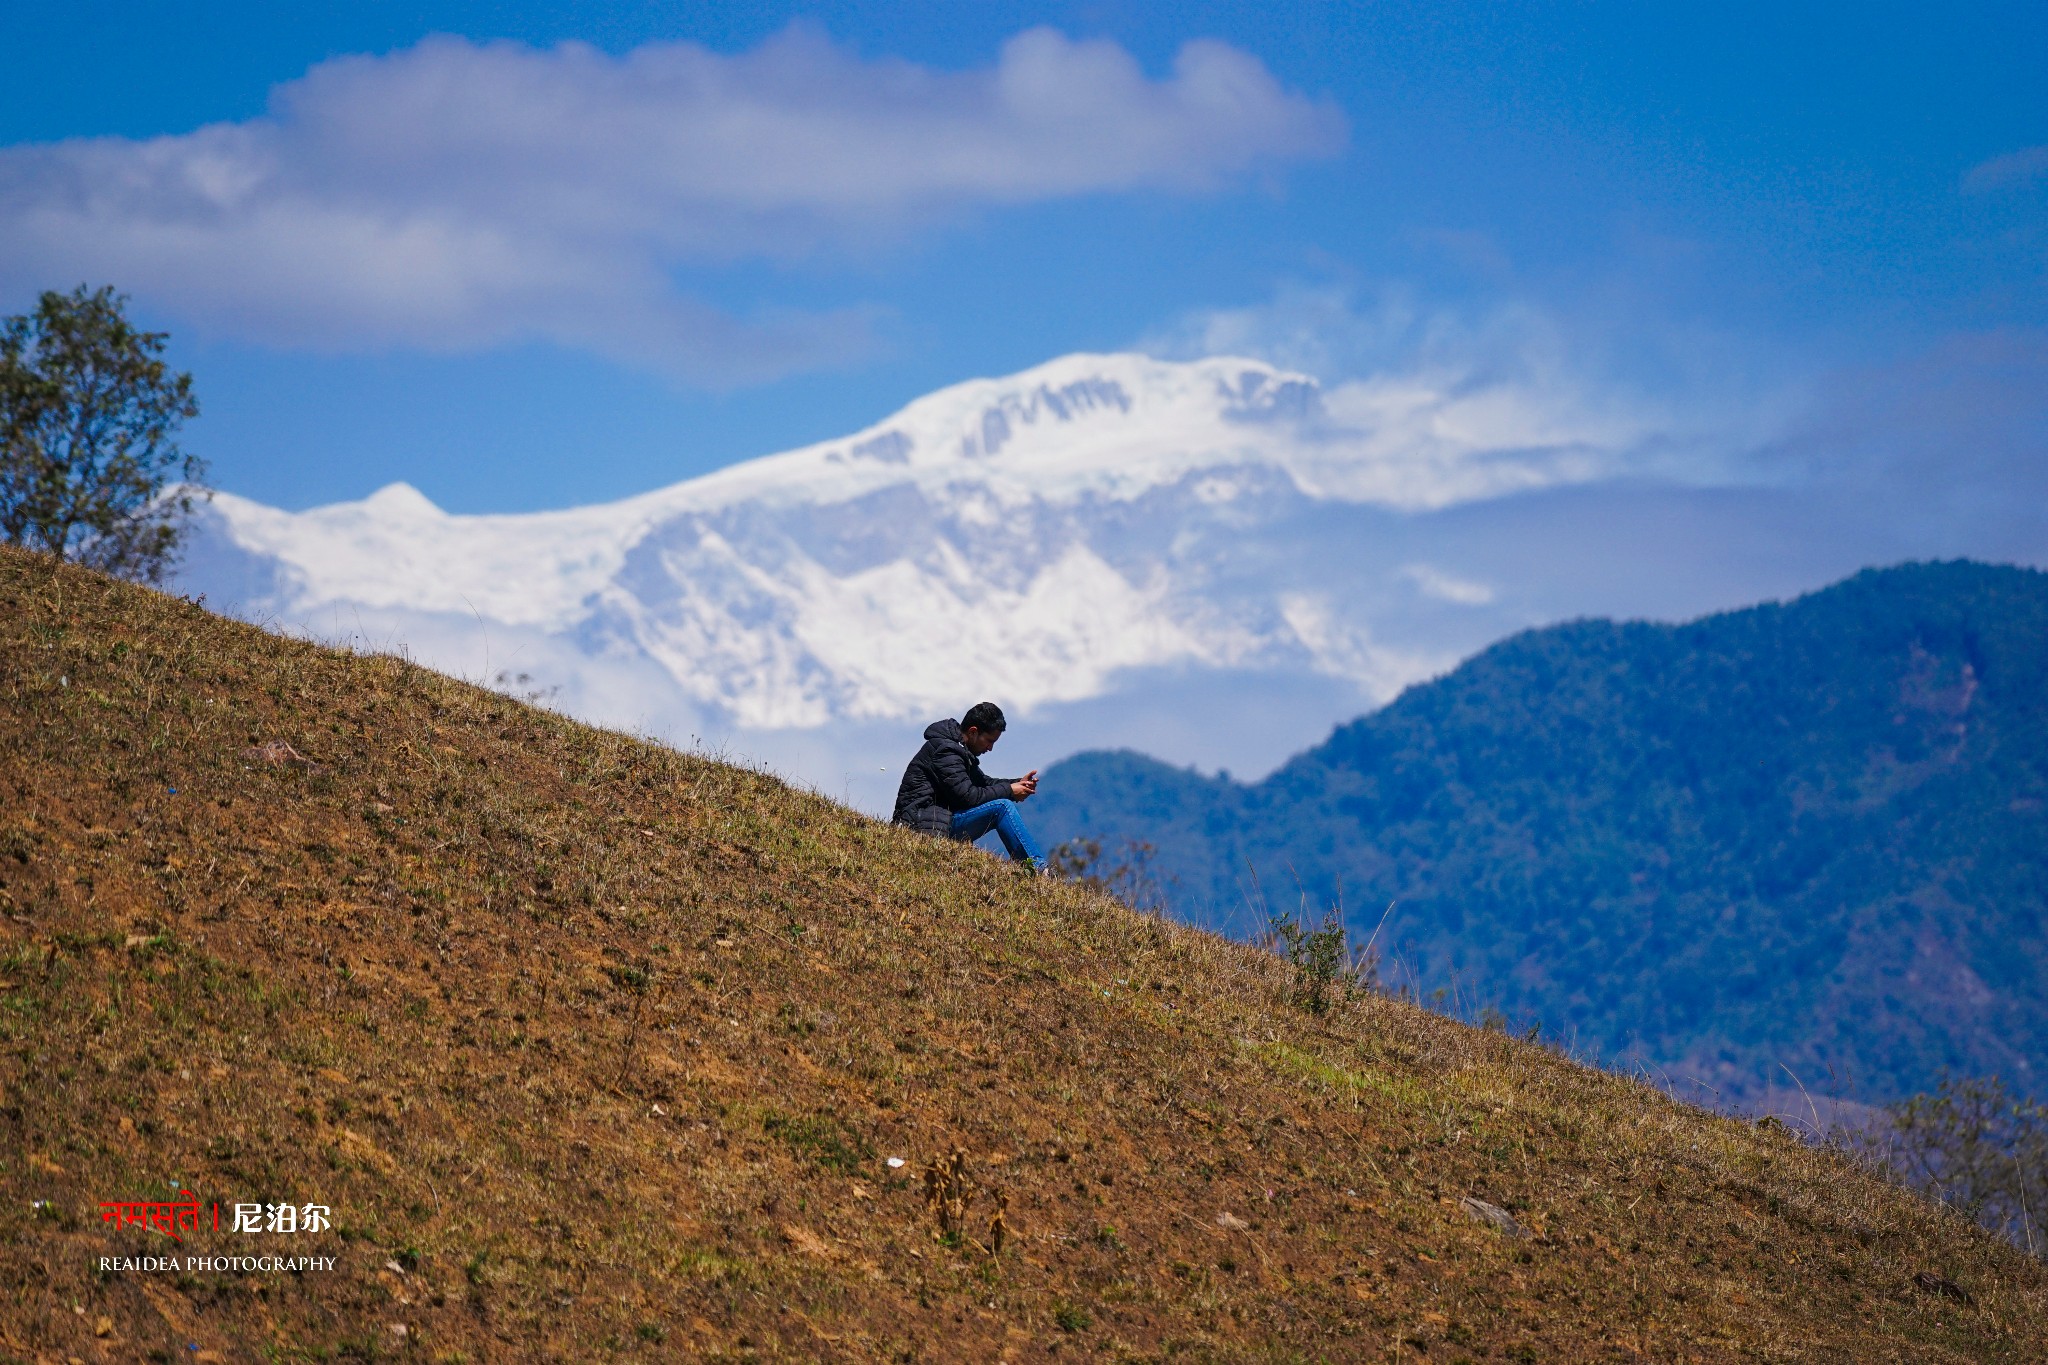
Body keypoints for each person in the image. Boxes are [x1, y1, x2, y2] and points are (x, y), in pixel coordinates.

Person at [891, 701, 1048, 871]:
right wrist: (1010, 791)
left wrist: (1017, 784)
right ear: (973, 732)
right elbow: (968, 797)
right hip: (920, 828)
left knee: (1002, 805)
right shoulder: (946, 751)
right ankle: (1038, 870)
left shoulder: (957, 749)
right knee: (1002, 808)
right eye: (988, 741)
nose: (990, 748)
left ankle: (1036, 869)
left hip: (936, 822)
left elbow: (984, 782)